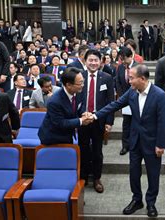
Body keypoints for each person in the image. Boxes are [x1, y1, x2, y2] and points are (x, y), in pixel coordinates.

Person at [93, 64, 165, 218]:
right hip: (134, 140)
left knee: (153, 174)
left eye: (132, 78)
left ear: (142, 78)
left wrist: (161, 144)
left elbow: (163, 122)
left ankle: (151, 203)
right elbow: (115, 104)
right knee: (134, 173)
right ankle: (137, 200)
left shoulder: (160, 95)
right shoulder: (132, 92)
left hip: (152, 142)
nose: (129, 81)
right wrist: (95, 116)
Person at [77, 50, 115, 193]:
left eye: (96, 60)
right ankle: (84, 176)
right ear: (85, 61)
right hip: (82, 119)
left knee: (98, 151)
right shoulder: (78, 76)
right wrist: (77, 118)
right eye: (90, 60)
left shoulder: (107, 77)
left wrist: (109, 122)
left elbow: (111, 101)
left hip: (99, 119)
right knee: (83, 149)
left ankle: (97, 178)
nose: (93, 63)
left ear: (101, 62)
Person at [38, 67, 94, 145]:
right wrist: (81, 121)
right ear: (68, 85)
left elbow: (80, 107)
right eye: (80, 83)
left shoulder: (79, 92)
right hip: (53, 138)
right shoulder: (54, 101)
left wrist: (84, 113)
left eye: (83, 82)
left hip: (68, 134)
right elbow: (60, 123)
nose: (83, 85)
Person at [115, 47, 138, 155]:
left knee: (136, 122)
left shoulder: (139, 67)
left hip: (137, 99)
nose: (123, 61)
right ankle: (125, 146)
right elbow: (118, 82)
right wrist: (122, 95)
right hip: (125, 99)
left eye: (124, 59)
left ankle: (136, 145)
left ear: (130, 56)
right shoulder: (120, 67)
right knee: (126, 124)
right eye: (121, 59)